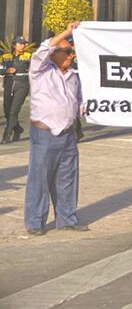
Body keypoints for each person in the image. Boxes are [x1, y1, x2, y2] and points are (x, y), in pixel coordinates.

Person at [24, 22, 86, 236]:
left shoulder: (74, 76)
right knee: (40, 179)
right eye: (68, 51)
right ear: (55, 53)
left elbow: (78, 102)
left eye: (73, 51)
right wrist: (67, 32)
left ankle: (67, 218)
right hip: (45, 132)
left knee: (68, 179)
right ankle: (35, 221)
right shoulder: (40, 70)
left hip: (68, 134)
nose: (71, 55)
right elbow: (43, 50)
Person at [2, 35, 32, 144]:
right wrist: (6, 70)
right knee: (7, 111)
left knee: (14, 110)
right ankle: (17, 128)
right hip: (9, 84)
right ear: (14, 45)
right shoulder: (6, 56)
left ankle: (7, 135)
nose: (23, 45)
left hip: (22, 84)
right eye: (21, 43)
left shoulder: (28, 56)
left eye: (24, 43)